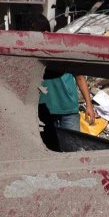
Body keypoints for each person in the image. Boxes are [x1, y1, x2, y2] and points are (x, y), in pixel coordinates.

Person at [20, 12, 94, 148]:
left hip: (68, 110)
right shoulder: (28, 54)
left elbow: (79, 76)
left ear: (46, 33)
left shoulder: (63, 49)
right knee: (50, 148)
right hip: (43, 111)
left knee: (73, 149)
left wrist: (89, 105)